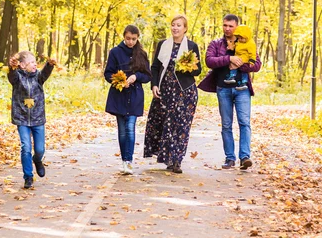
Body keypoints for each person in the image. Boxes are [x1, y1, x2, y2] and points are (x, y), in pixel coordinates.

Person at [198, 14, 262, 170]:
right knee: (226, 124)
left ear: (237, 27)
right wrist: (229, 59)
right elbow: (209, 61)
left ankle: (245, 157)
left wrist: (241, 65)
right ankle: (230, 158)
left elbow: (257, 64)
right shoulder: (216, 44)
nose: (227, 29)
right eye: (225, 25)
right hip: (223, 89)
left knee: (244, 123)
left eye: (230, 26)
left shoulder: (247, 42)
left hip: (243, 89)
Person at [144, 15, 202, 173]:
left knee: (181, 126)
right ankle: (168, 158)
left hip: (185, 92)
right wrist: (154, 85)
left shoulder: (191, 46)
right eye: (173, 25)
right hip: (166, 90)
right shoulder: (163, 44)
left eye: (179, 25)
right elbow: (155, 67)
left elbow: (198, 70)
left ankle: (177, 160)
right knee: (166, 125)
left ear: (185, 29)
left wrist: (188, 66)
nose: (175, 28)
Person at [104, 25, 152, 175]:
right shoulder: (115, 52)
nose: (131, 42)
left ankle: (128, 161)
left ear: (138, 38)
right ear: (124, 37)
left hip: (135, 95)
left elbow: (148, 76)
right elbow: (108, 73)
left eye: (134, 39)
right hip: (119, 95)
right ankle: (124, 160)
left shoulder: (142, 54)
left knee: (130, 127)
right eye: (128, 38)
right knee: (122, 130)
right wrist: (119, 80)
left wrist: (136, 76)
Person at [8, 51, 56, 189]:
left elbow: (45, 72)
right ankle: (28, 176)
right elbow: (11, 74)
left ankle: (37, 160)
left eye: (35, 62)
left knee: (39, 149)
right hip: (22, 118)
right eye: (31, 62)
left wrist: (50, 64)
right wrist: (11, 67)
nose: (35, 64)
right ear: (22, 65)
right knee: (26, 148)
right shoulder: (17, 78)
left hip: (37, 118)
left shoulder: (38, 77)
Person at [223, 24, 257, 90]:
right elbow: (236, 47)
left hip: (245, 58)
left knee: (238, 68)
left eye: (242, 38)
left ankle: (240, 80)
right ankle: (235, 78)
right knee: (236, 67)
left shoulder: (250, 43)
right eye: (238, 38)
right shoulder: (239, 42)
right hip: (238, 56)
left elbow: (253, 54)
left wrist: (252, 61)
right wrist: (231, 47)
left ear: (246, 36)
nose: (240, 39)